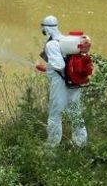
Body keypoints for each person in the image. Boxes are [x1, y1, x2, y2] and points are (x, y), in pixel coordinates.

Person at [37, 15, 88, 147]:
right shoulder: (66, 41)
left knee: (55, 113)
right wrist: (46, 68)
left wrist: (47, 67)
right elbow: (66, 63)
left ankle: (52, 145)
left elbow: (60, 65)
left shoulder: (51, 44)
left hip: (60, 83)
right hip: (74, 81)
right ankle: (81, 143)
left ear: (46, 29)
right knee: (75, 111)